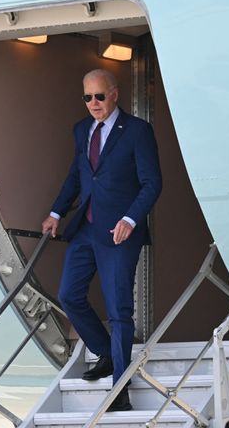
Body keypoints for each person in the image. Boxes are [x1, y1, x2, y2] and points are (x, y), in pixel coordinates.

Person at [41, 69, 162, 411]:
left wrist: (130, 218)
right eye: (87, 97)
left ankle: (120, 389)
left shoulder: (138, 131)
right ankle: (108, 354)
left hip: (119, 232)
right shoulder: (82, 130)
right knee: (69, 295)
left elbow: (152, 183)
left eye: (99, 96)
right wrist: (55, 212)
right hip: (86, 228)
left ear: (114, 94)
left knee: (119, 310)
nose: (93, 104)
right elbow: (77, 177)